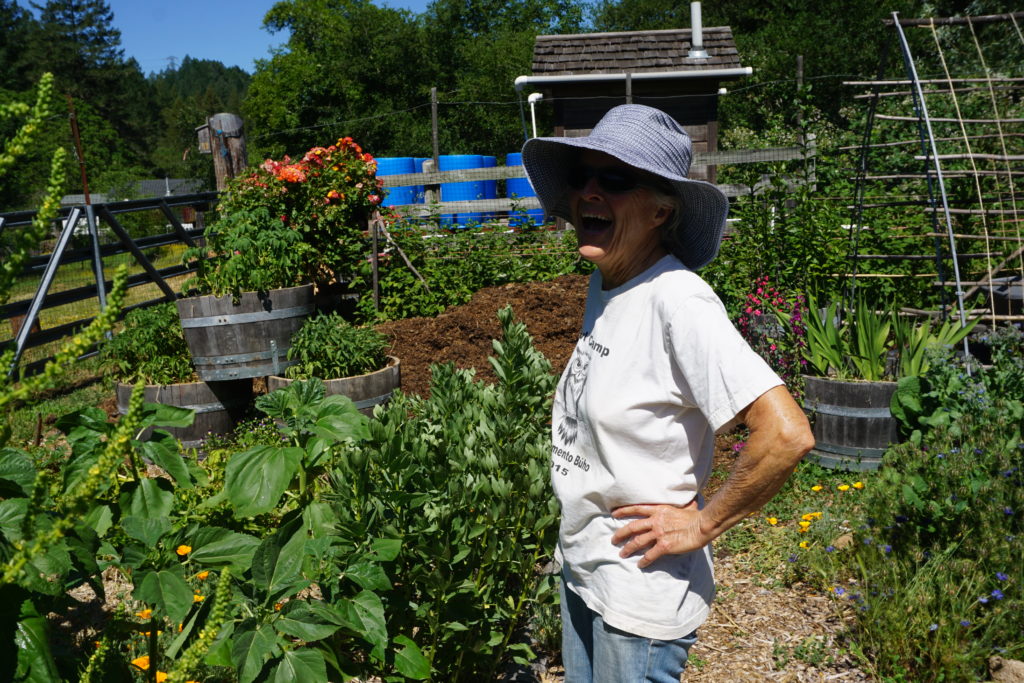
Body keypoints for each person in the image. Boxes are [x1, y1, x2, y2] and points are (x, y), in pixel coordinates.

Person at [521, 104, 815, 682]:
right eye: (583, 177)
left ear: (661, 209)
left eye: (615, 179)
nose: (588, 192)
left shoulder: (679, 300)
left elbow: (786, 434)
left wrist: (701, 526)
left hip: (639, 593)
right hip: (587, 568)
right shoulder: (609, 282)